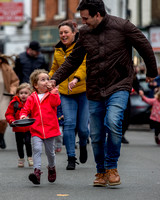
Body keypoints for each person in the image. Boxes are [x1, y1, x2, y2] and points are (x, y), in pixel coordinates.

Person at [50, 0, 158, 186]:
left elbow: (144, 46)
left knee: (113, 122)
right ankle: (100, 171)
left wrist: (151, 72)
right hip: (95, 88)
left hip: (119, 84)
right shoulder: (84, 33)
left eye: (86, 18)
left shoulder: (122, 26)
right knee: (97, 134)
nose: (83, 23)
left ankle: (112, 167)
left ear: (97, 15)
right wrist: (55, 79)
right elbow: (73, 59)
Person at [49, 20, 89, 170]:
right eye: (61, 33)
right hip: (66, 93)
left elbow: (85, 65)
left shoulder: (82, 46)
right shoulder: (58, 50)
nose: (63, 35)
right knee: (69, 124)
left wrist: (76, 78)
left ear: (74, 33)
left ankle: (83, 144)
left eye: (66, 32)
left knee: (83, 129)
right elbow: (55, 68)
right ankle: (71, 157)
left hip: (83, 91)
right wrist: (49, 79)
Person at [19, 69, 61, 185]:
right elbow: (25, 109)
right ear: (36, 85)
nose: (46, 81)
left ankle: (51, 167)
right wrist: (23, 116)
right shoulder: (32, 97)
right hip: (36, 129)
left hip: (50, 129)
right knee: (37, 149)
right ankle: (36, 172)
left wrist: (53, 91)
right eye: (43, 80)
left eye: (48, 79)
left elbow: (56, 103)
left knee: (50, 152)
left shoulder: (52, 94)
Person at [5, 83, 33, 168]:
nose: (23, 95)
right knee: (19, 144)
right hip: (18, 128)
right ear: (18, 94)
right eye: (21, 93)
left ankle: (30, 157)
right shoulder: (14, 103)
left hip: (28, 127)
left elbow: (36, 113)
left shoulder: (31, 102)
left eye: (25, 93)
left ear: (30, 94)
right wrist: (12, 121)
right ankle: (21, 158)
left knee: (28, 142)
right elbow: (8, 114)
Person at [0, 54, 19, 149]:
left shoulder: (7, 68)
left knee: (3, 120)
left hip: (4, 96)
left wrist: (12, 90)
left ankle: (1, 136)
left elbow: (15, 81)